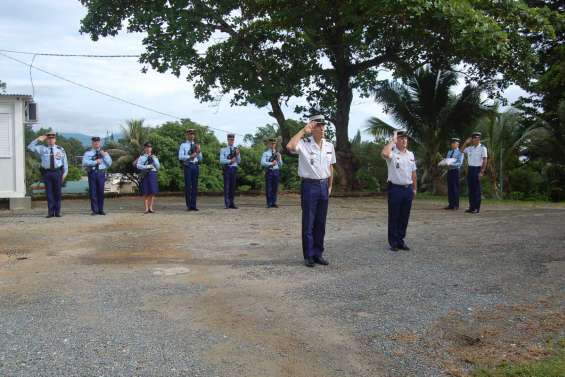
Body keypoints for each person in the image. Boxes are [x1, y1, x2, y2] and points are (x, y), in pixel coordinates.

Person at [287, 115, 335, 268]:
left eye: (323, 125)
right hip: (309, 186)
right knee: (309, 221)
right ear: (312, 128)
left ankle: (318, 253)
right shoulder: (304, 143)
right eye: (318, 125)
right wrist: (303, 130)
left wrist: (330, 186)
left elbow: (331, 167)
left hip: (323, 186)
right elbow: (289, 146)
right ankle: (308, 256)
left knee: (321, 222)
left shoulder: (329, 146)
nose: (322, 128)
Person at [381, 130, 417, 252]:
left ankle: (401, 240)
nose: (404, 140)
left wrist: (415, 188)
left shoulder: (411, 154)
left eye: (405, 138)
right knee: (394, 215)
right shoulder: (392, 153)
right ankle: (393, 242)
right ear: (397, 141)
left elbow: (413, 172)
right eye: (401, 138)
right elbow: (385, 152)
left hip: (408, 188)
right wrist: (393, 141)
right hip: (395, 188)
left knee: (404, 216)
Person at [27, 129, 68, 218]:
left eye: (52, 138)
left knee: (57, 193)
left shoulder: (60, 149)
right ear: (46, 139)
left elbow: (65, 163)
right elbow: (29, 147)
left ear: (55, 139)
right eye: (49, 138)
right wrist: (38, 139)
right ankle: (50, 212)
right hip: (47, 173)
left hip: (57, 172)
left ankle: (57, 212)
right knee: (49, 193)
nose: (50, 140)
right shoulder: (42, 148)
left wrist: (64, 175)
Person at [82, 136, 112, 215]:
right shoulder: (88, 153)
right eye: (94, 142)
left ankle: (101, 209)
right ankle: (94, 210)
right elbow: (84, 163)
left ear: (100, 143)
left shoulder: (104, 152)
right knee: (93, 192)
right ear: (92, 143)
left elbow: (109, 163)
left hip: (101, 173)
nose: (96, 143)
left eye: (98, 142)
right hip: (92, 173)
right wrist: (95, 162)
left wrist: (104, 156)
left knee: (101, 192)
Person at [461, 132, 488, 214]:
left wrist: (482, 171)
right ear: (472, 139)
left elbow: (485, 160)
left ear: (479, 139)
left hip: (477, 169)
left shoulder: (483, 148)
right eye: (474, 138)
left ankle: (477, 208)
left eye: (478, 138)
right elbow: (461, 150)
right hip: (470, 169)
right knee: (471, 189)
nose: (476, 139)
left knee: (477, 190)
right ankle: (471, 207)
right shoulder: (470, 148)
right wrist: (466, 143)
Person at [178, 129, 202, 211]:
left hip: (195, 165)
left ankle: (194, 205)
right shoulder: (183, 145)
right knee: (188, 186)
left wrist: (199, 151)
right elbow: (180, 157)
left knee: (195, 186)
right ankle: (189, 205)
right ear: (187, 135)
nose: (192, 136)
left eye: (193, 134)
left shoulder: (196, 145)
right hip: (188, 165)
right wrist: (190, 156)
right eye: (190, 134)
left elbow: (200, 158)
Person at [136, 142, 161, 214]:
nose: (148, 149)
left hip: (153, 174)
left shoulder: (155, 157)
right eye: (147, 147)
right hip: (145, 174)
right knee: (145, 191)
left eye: (149, 147)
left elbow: (158, 167)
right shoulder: (142, 157)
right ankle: (146, 208)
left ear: (151, 148)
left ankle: (151, 208)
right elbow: (138, 166)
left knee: (152, 192)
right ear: (144, 148)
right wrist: (147, 166)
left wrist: (154, 161)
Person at [219, 133, 241, 209]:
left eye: (233, 139)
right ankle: (227, 204)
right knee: (227, 187)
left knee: (232, 187)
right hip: (227, 168)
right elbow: (221, 160)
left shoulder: (236, 149)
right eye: (230, 139)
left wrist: (237, 155)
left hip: (234, 168)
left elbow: (239, 161)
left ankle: (232, 203)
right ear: (227, 140)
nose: (232, 141)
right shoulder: (223, 150)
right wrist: (229, 161)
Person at [261, 137, 283, 208]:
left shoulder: (278, 153)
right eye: (271, 144)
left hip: (276, 171)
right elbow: (262, 162)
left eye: (274, 144)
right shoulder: (265, 153)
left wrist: (279, 159)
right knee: (269, 187)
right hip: (269, 171)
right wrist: (271, 163)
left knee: (275, 187)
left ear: (275, 144)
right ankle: (269, 203)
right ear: (269, 144)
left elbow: (281, 165)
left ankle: (274, 202)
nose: (272, 145)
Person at [444, 137, 464, 210]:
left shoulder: (460, 152)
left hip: (455, 171)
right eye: (452, 143)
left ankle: (456, 205)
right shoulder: (449, 152)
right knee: (450, 188)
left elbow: (460, 163)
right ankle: (450, 204)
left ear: (458, 144)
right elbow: (447, 160)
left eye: (454, 143)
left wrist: (452, 165)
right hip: (449, 171)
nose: (452, 144)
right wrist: (445, 163)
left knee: (455, 188)